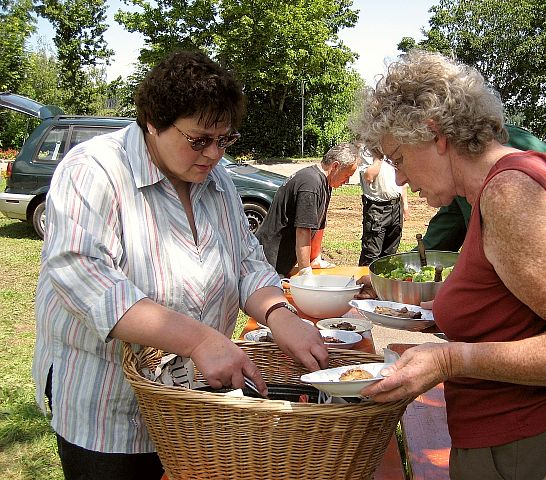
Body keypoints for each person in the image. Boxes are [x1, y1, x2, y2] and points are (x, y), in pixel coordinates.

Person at [32, 50, 328, 480]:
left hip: (189, 407)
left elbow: (245, 259)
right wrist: (199, 341)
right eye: (199, 140)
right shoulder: (94, 170)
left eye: (224, 140)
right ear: (153, 121)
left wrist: (278, 315)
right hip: (106, 410)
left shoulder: (216, 180)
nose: (213, 154)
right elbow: (87, 279)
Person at [351, 50, 546, 479]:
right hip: (520, 442)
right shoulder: (504, 183)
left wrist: (449, 360)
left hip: (538, 448)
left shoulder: (510, 194)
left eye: (400, 158)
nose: (401, 179)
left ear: (436, 133)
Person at [420, 124, 546, 289]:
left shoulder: (507, 141)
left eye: (401, 158)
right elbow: (446, 230)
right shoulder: (456, 173)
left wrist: (521, 254)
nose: (401, 178)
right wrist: (400, 270)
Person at [255, 143, 358, 276]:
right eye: (347, 175)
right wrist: (305, 271)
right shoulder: (310, 184)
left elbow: (319, 224)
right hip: (267, 262)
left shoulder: (325, 183)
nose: (347, 181)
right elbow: (303, 230)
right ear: (335, 166)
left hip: (280, 262)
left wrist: (314, 259)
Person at [357, 143, 409, 266]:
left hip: (396, 207)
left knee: (390, 254)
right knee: (371, 254)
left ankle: (384, 284)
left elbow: (401, 178)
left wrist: (405, 205)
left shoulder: (391, 147)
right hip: (377, 209)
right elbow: (369, 177)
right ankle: (366, 283)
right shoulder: (366, 150)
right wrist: (379, 158)